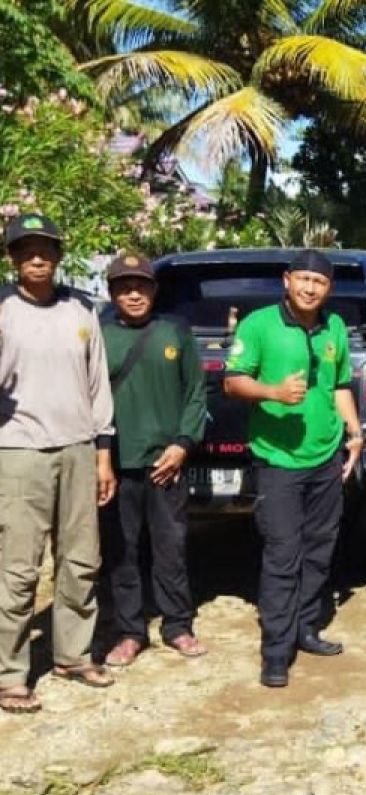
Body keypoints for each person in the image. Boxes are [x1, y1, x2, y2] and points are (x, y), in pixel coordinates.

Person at [224, 249, 363, 688]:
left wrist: (354, 432)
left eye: (318, 282)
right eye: (302, 279)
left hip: (325, 456)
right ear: (287, 280)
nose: (309, 288)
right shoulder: (259, 324)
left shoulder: (335, 326)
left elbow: (339, 385)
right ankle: (276, 651)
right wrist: (272, 392)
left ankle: (306, 627)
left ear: (328, 288)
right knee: (283, 554)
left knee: (320, 550)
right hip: (277, 460)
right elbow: (231, 381)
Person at [0, 214, 117, 713]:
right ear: (13, 258)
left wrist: (102, 454)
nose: (37, 257)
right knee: (19, 568)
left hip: (78, 448)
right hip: (19, 450)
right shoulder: (3, 308)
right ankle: (11, 674)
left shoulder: (81, 308)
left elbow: (98, 384)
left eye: (45, 248)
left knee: (81, 560)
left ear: (59, 254)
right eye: (26, 250)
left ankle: (73, 654)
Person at [100, 254, 208, 667]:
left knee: (171, 547)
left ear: (154, 289)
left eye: (142, 285)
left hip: (167, 463)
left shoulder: (174, 331)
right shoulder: (99, 335)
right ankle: (130, 632)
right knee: (122, 551)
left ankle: (178, 625)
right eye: (124, 286)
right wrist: (100, 458)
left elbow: (196, 391)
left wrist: (183, 444)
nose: (134, 293)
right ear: (112, 292)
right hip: (116, 463)